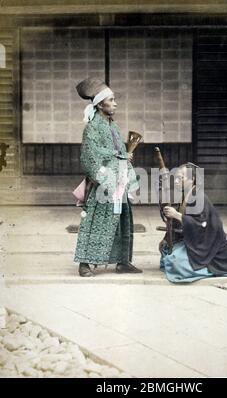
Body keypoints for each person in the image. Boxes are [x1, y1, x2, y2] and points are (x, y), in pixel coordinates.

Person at [74, 78, 142, 276]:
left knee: (122, 221)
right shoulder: (92, 127)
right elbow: (90, 155)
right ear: (100, 104)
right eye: (111, 100)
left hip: (119, 180)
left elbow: (118, 149)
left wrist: (126, 155)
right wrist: (119, 156)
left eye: (114, 100)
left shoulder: (113, 125)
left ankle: (123, 262)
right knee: (96, 222)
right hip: (105, 183)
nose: (115, 103)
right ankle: (84, 263)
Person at [159, 163, 227, 283]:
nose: (177, 180)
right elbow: (183, 222)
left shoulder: (198, 196)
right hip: (195, 239)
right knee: (165, 249)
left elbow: (201, 224)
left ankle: (207, 269)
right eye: (176, 177)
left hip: (206, 242)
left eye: (181, 177)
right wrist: (169, 224)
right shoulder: (186, 194)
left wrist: (176, 215)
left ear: (192, 179)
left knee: (175, 261)